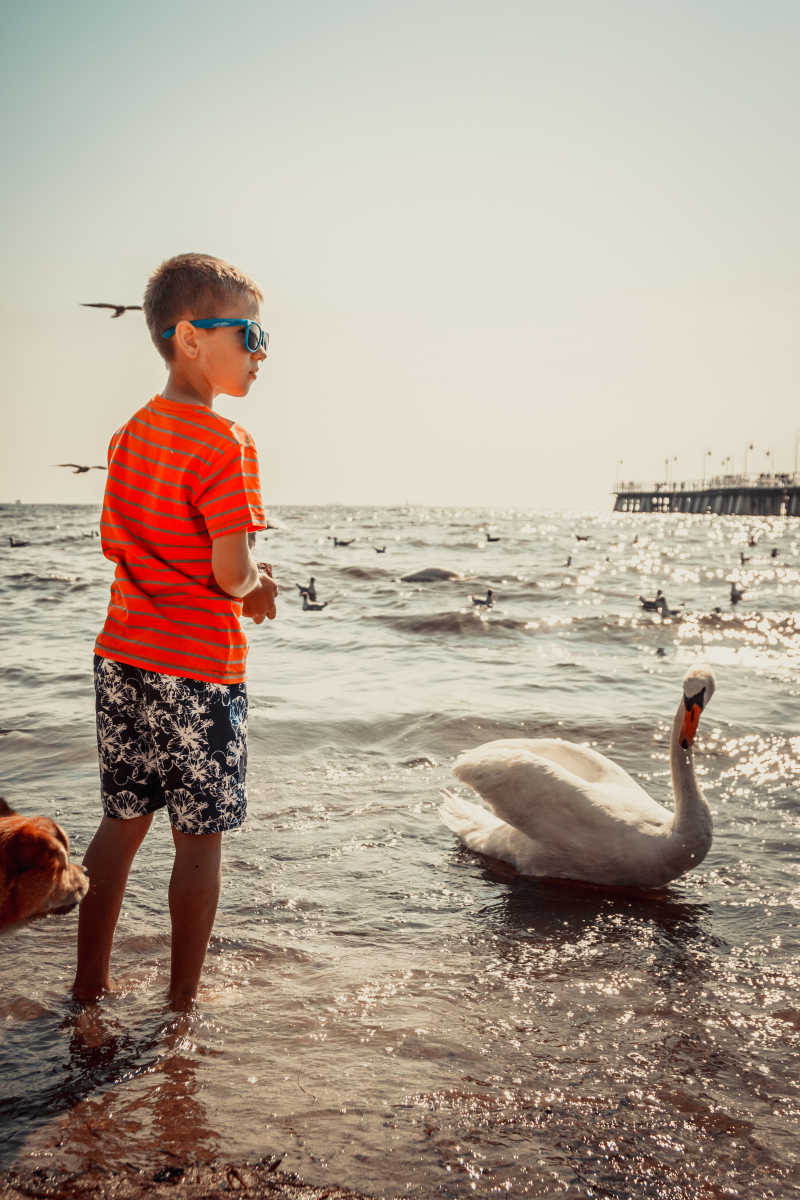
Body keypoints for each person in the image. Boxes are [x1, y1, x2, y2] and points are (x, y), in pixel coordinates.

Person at [72, 253, 278, 1011]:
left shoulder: (129, 436)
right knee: (199, 844)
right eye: (250, 333)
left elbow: (145, 545)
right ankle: (182, 1003)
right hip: (198, 671)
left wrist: (239, 579)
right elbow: (229, 572)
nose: (260, 352)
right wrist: (258, 588)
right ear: (192, 338)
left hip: (122, 657)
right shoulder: (228, 446)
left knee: (121, 822)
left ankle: (88, 985)